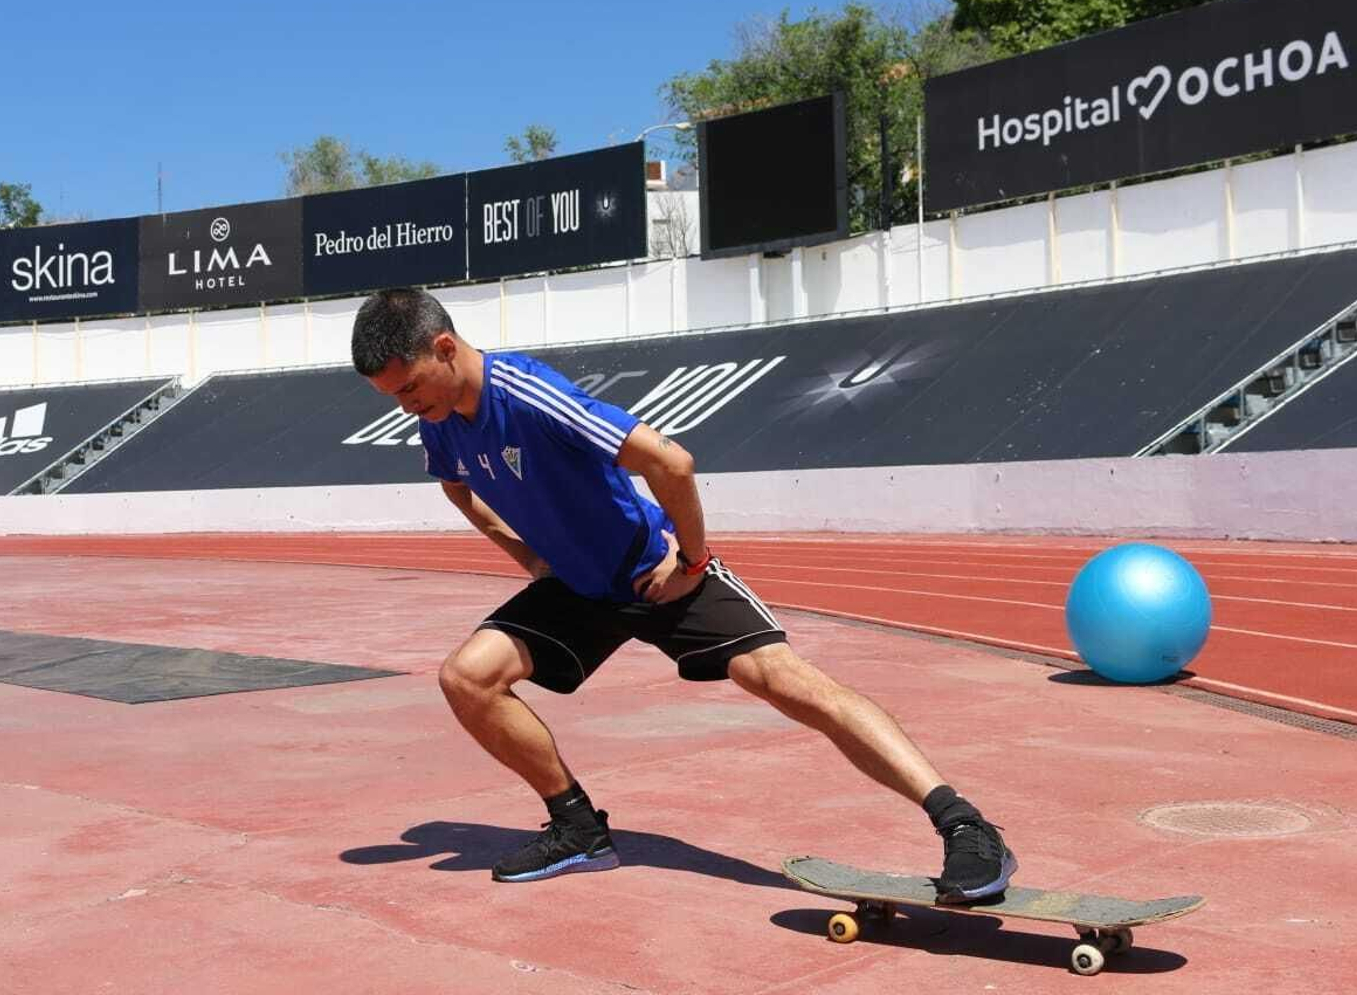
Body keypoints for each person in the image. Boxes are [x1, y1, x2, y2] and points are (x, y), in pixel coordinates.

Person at [351, 288, 1016, 898]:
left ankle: (965, 826)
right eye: (392, 397)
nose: (406, 406)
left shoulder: (527, 393)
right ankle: (578, 826)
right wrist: (527, 556)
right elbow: (457, 486)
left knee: (781, 679)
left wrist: (692, 558)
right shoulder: (439, 419)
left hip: (652, 566)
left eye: (409, 387)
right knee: (467, 678)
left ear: (445, 348)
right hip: (578, 588)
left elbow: (671, 461)